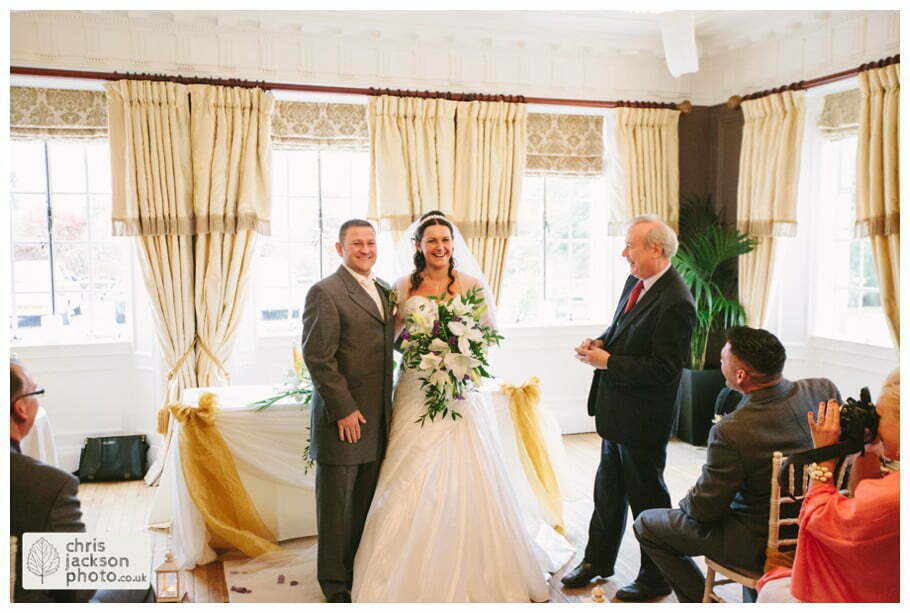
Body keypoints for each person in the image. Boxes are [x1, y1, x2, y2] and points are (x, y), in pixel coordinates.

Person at [351, 211, 569, 602]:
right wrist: (423, 351)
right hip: (417, 387)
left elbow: (486, 335)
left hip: (459, 391)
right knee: (409, 465)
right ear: (418, 246)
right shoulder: (402, 287)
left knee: (470, 465)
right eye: (431, 240)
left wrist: (461, 356)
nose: (440, 247)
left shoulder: (471, 285)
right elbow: (394, 338)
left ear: (453, 245)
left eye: (445, 240)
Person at [633, 326, 841, 602]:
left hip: (761, 544)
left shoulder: (732, 430)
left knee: (647, 523)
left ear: (740, 375)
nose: (720, 365)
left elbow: (704, 510)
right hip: (820, 528)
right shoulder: (823, 390)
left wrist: (688, 499)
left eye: (722, 361)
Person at [565, 215, 695, 601]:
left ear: (656, 249)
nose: (624, 253)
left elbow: (665, 370)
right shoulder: (636, 282)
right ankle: (597, 561)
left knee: (647, 499)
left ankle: (657, 576)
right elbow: (621, 330)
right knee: (607, 493)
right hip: (616, 412)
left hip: (643, 420)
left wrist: (607, 362)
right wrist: (599, 342)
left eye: (630, 247)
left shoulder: (677, 302)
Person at [302, 219, 395, 603]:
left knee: (364, 501)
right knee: (337, 507)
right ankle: (335, 586)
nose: (366, 249)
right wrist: (343, 410)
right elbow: (318, 358)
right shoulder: (325, 292)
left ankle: (358, 572)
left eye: (371, 242)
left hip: (380, 416)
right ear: (340, 249)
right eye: (357, 243)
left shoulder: (387, 291)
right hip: (345, 418)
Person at [757, 369, 899, 603]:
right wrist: (871, 445)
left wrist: (824, 456)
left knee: (772, 590)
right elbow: (861, 494)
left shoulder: (893, 495)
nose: (877, 424)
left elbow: (817, 518)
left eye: (880, 417)